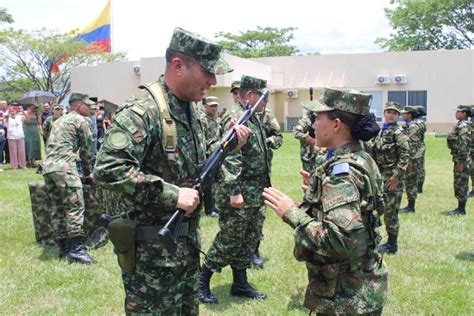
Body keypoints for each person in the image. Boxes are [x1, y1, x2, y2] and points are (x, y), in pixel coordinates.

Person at [94, 28, 248, 315]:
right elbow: (107, 169)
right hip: (152, 256)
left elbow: (192, 166)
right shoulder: (143, 111)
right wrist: (172, 194)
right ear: (178, 66)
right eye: (207, 72)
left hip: (185, 249)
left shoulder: (191, 112)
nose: (213, 81)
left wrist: (227, 147)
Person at [263, 87, 388, 315]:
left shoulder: (343, 173)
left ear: (336, 124)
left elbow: (338, 241)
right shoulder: (361, 157)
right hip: (359, 286)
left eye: (318, 118)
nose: (312, 125)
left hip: (346, 297)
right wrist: (321, 195)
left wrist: (291, 212)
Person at [200, 75, 270, 304]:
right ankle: (201, 282)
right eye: (263, 96)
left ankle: (240, 283)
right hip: (239, 189)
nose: (266, 101)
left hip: (254, 190)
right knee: (230, 239)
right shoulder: (235, 117)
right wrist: (233, 191)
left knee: (248, 239)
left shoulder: (254, 117)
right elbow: (230, 154)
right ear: (250, 95)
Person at [42, 93, 96, 264]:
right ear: (80, 107)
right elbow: (87, 150)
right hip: (65, 167)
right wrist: (88, 173)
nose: (92, 109)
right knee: (75, 206)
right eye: (89, 106)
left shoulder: (58, 121)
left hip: (48, 167)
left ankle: (63, 248)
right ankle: (77, 250)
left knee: (57, 207)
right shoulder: (81, 120)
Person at [369, 101, 409, 254]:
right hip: (379, 178)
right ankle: (374, 239)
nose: (391, 115)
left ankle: (392, 245)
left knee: (391, 212)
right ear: (384, 113)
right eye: (388, 112)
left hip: (392, 180)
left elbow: (405, 156)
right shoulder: (380, 131)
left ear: (398, 116)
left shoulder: (398, 133)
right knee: (376, 208)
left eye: (394, 113)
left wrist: (396, 176)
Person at [252, 98, 283, 268]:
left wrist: (267, 142)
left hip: (261, 171)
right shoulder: (240, 116)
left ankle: (254, 249)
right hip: (240, 172)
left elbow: (278, 137)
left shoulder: (267, 116)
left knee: (259, 210)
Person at [446, 105, 471, 216]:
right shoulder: (460, 125)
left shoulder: (463, 126)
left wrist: (460, 161)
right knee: (459, 183)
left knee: (461, 183)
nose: (456, 114)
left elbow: (463, 144)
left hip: (462, 160)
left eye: (458, 112)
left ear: (464, 113)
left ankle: (461, 209)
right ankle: (460, 207)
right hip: (460, 158)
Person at [200, 96, 221, 217]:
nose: (214, 108)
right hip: (207, 155)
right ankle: (209, 208)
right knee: (207, 183)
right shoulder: (202, 120)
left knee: (217, 181)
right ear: (205, 106)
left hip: (218, 154)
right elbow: (201, 140)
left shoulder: (218, 120)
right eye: (211, 106)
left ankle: (215, 206)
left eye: (216, 106)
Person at [399, 106, 423, 213]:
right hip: (413, 157)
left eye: (405, 113)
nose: (402, 115)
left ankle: (411, 206)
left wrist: (410, 161)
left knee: (411, 181)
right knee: (409, 181)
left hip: (412, 158)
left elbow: (412, 145)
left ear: (410, 115)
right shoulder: (411, 125)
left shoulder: (413, 127)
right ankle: (410, 205)